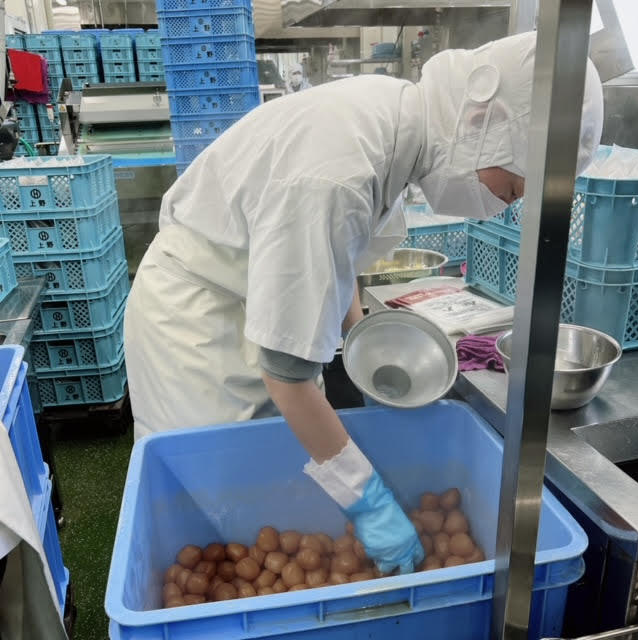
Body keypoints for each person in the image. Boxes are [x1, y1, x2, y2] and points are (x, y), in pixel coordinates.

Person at [124, 32, 603, 575]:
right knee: (215, 506)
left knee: (268, 491)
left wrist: (360, 337)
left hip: (249, 298)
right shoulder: (340, 170)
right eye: (512, 189)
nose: (502, 206)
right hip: (197, 325)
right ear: (482, 124)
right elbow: (286, 374)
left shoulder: (395, 124)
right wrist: (370, 504)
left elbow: (338, 254)